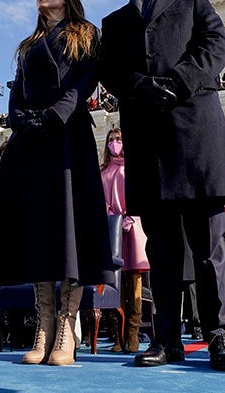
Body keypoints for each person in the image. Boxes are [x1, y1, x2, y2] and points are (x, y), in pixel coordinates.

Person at [99, 0, 225, 371]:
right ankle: (166, 341)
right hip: (149, 147)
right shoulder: (115, 21)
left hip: (197, 141)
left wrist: (176, 82)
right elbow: (109, 70)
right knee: (162, 254)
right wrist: (140, 86)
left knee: (208, 251)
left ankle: (219, 338)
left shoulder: (193, 2)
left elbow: (214, 48)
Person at [0, 0, 114, 367]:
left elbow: (86, 79)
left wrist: (56, 115)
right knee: (37, 229)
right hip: (31, 141)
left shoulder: (85, 34)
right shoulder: (28, 44)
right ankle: (44, 323)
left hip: (67, 136)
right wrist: (20, 118)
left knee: (68, 226)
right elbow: (17, 87)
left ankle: (67, 326)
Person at [100, 128, 149, 353]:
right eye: (111, 140)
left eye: (118, 139)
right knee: (116, 283)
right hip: (112, 229)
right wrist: (112, 218)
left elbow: (140, 194)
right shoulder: (102, 171)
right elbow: (101, 200)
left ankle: (133, 334)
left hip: (133, 226)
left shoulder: (133, 168)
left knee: (135, 281)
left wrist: (130, 216)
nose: (115, 143)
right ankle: (117, 336)